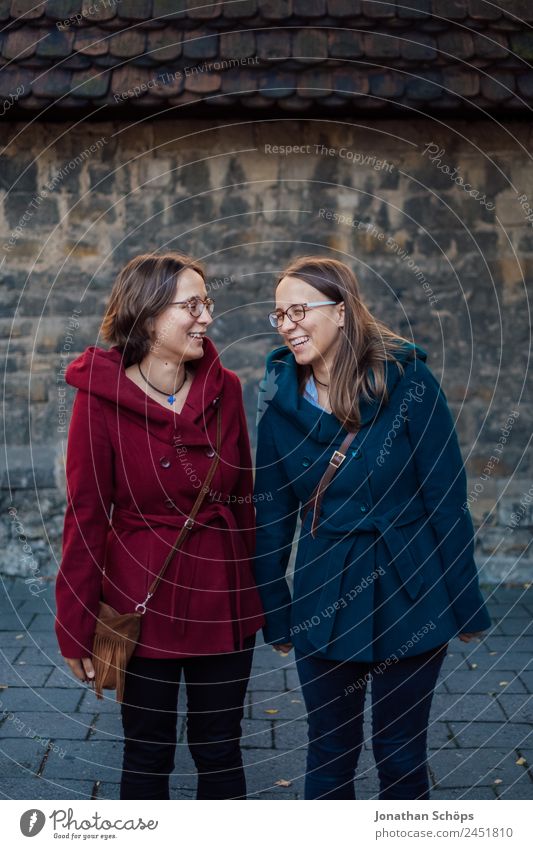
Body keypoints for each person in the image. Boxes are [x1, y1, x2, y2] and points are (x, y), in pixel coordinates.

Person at [253, 255, 491, 800]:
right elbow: (270, 520)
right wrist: (277, 616)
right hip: (323, 597)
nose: (287, 323)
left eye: (299, 310)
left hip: (411, 589)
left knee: (402, 754)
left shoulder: (411, 384)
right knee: (330, 752)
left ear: (340, 312)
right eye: (278, 315)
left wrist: (465, 601)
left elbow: (446, 501)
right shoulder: (276, 406)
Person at [55, 252, 265, 800]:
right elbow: (85, 513)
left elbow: (242, 500)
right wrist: (74, 621)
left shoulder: (228, 391)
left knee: (220, 748)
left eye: (207, 303)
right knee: (147, 751)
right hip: (140, 599)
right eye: (190, 305)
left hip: (222, 596)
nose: (206, 317)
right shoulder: (99, 400)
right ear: (148, 317)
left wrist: (258, 599)